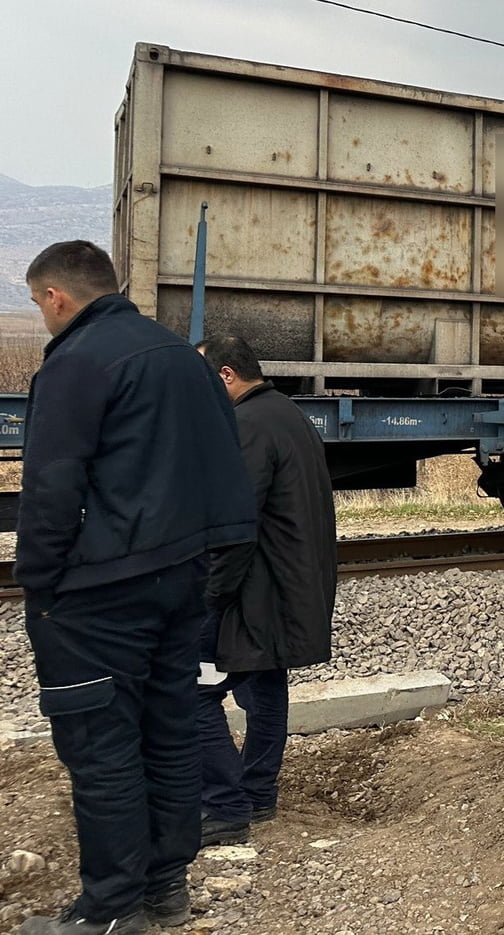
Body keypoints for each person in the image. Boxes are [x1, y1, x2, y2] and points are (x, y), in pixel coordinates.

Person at [16, 241, 257, 935]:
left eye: (37, 305)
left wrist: (39, 581)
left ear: (58, 296)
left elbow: (52, 486)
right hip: (180, 581)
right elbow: (225, 474)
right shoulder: (186, 358)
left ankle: (111, 909)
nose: (40, 318)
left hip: (97, 592)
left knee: (102, 746)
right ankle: (164, 890)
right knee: (168, 733)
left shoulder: (75, 362)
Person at [194, 334, 336, 849]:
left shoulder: (247, 425)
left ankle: (225, 806)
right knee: (265, 689)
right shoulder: (288, 414)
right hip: (285, 586)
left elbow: (235, 527)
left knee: (192, 691)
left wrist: (205, 600)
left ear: (226, 375)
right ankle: (257, 795)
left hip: (252, 593)